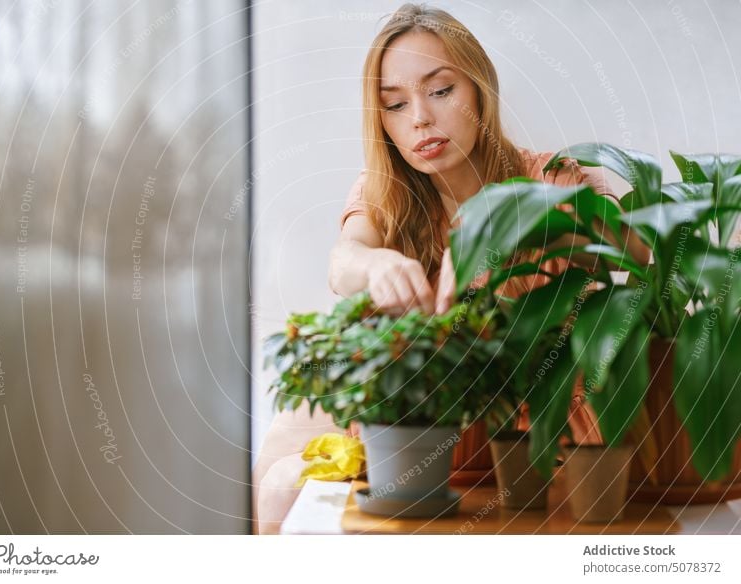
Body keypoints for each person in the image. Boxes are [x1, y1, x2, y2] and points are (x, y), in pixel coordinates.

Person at [253, 3, 649, 535]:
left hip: (523, 434)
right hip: (415, 431)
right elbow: (343, 262)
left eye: (441, 91)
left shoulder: (547, 182)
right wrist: (376, 264)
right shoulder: (384, 194)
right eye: (394, 104)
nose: (419, 117)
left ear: (480, 88)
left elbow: (640, 255)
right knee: (280, 480)